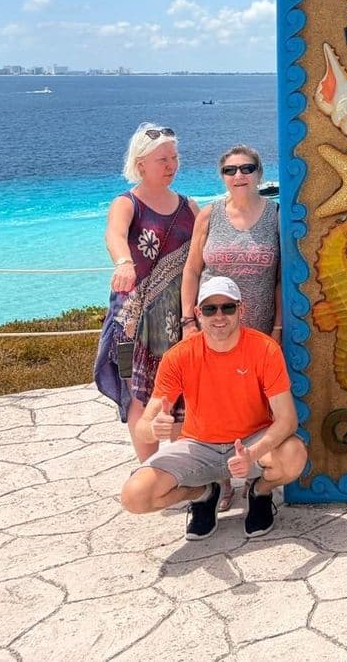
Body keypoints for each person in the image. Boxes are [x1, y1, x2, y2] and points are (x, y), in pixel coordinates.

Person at [119, 277, 307, 540]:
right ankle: (203, 492)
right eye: (210, 309)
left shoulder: (265, 349)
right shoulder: (179, 356)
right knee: (134, 497)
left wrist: (251, 454)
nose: (219, 315)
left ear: (241, 310)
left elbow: (287, 420)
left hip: (249, 442)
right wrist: (154, 429)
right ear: (198, 313)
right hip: (199, 445)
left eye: (227, 307)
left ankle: (260, 492)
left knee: (294, 455)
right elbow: (142, 428)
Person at [179, 143, 281, 513]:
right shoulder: (209, 215)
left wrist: (279, 326)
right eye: (231, 170)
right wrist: (189, 321)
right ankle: (216, 480)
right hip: (212, 326)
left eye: (247, 168)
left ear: (259, 173)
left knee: (256, 404)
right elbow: (192, 269)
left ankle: (256, 479)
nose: (239, 176)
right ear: (222, 176)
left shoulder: (275, 215)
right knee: (210, 403)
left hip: (257, 328)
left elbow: (282, 277)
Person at [96, 123, 198, 460]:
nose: (171, 165)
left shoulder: (189, 207)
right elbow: (114, 235)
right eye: (162, 160)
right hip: (133, 323)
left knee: (182, 394)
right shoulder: (127, 204)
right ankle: (153, 469)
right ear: (141, 164)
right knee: (139, 394)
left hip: (177, 321)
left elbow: (201, 259)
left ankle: (185, 469)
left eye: (174, 157)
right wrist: (124, 261)